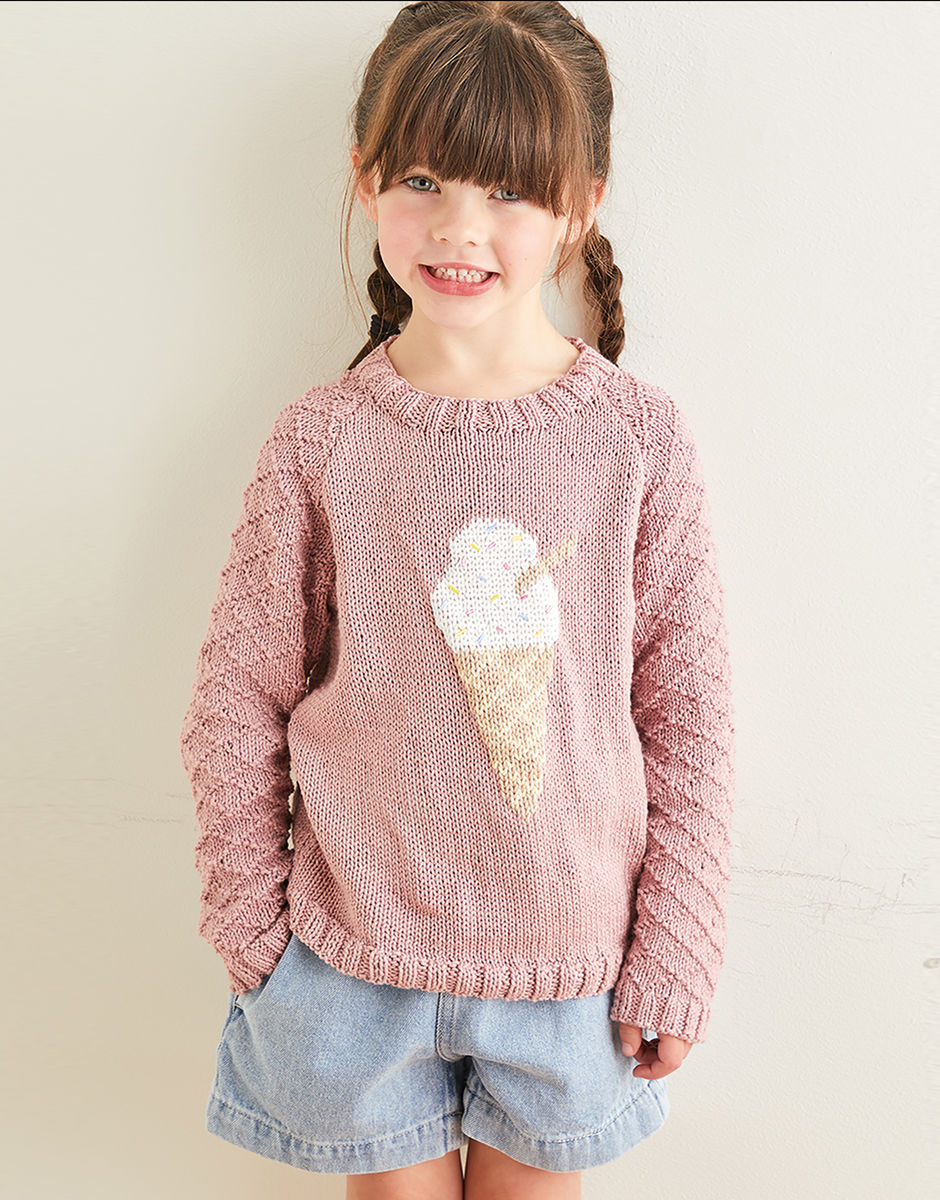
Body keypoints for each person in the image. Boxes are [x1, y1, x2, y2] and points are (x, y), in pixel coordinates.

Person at [178, 3, 736, 1198]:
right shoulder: (321, 441)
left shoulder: (637, 440)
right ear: (366, 177)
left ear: (580, 203)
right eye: (423, 180)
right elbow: (237, 696)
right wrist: (249, 923)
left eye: (508, 191)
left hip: (573, 971)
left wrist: (678, 944)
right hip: (349, 964)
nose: (458, 227)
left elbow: (686, 719)